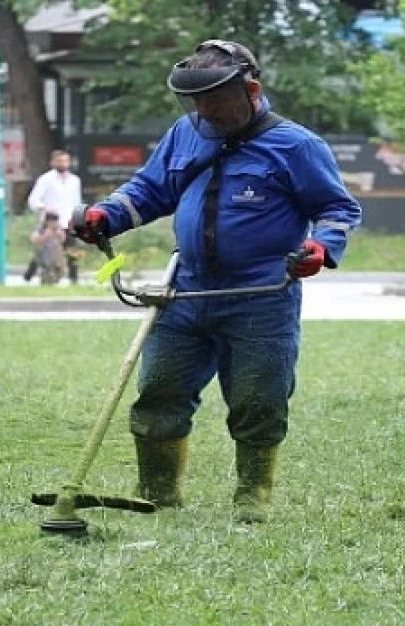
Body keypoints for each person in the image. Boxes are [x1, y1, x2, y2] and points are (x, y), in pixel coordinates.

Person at [69, 39, 363, 524]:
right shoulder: (187, 133)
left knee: (258, 400)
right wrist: (105, 215)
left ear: (251, 89)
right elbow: (149, 189)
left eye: (216, 100)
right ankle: (158, 495)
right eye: (196, 101)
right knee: (159, 391)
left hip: (260, 295)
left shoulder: (298, 145)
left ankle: (252, 498)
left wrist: (323, 247)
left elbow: (337, 208)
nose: (205, 111)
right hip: (183, 290)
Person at [24, 150, 84, 285]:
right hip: (51, 222)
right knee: (47, 250)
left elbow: (76, 201)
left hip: (69, 221)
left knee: (72, 250)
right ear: (52, 163)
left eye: (66, 161)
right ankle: (30, 274)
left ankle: (74, 280)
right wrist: (45, 208)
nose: (63, 164)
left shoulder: (74, 180)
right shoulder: (46, 179)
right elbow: (33, 200)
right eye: (60, 161)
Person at [29, 211, 68, 285]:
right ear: (47, 221)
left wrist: (60, 234)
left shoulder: (58, 229)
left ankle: (52, 283)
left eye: (56, 221)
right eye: (53, 222)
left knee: (60, 272)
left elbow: (63, 240)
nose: (55, 224)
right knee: (47, 274)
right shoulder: (40, 229)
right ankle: (45, 284)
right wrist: (45, 236)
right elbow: (33, 239)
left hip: (57, 257)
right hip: (45, 256)